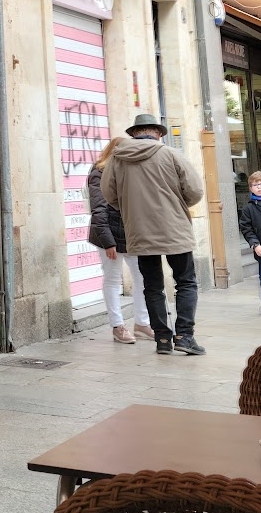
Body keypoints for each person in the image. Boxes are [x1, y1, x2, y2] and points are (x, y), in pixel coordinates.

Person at [101, 112, 205, 355]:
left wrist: (129, 210)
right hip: (175, 228)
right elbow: (195, 190)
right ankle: (185, 336)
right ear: (157, 133)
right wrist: (177, 205)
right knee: (186, 282)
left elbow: (109, 194)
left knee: (152, 285)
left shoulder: (117, 158)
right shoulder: (171, 154)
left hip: (139, 230)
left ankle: (163, 340)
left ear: (134, 133)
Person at [87, 139, 151, 343]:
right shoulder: (99, 172)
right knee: (113, 279)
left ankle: (142, 324)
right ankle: (118, 326)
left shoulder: (131, 171)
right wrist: (108, 241)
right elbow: (98, 209)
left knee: (142, 278)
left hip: (131, 235)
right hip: (108, 235)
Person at [238, 169, 261, 314]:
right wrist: (255, 244)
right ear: (250, 188)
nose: (259, 187)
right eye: (255, 185)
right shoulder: (249, 208)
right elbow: (246, 228)